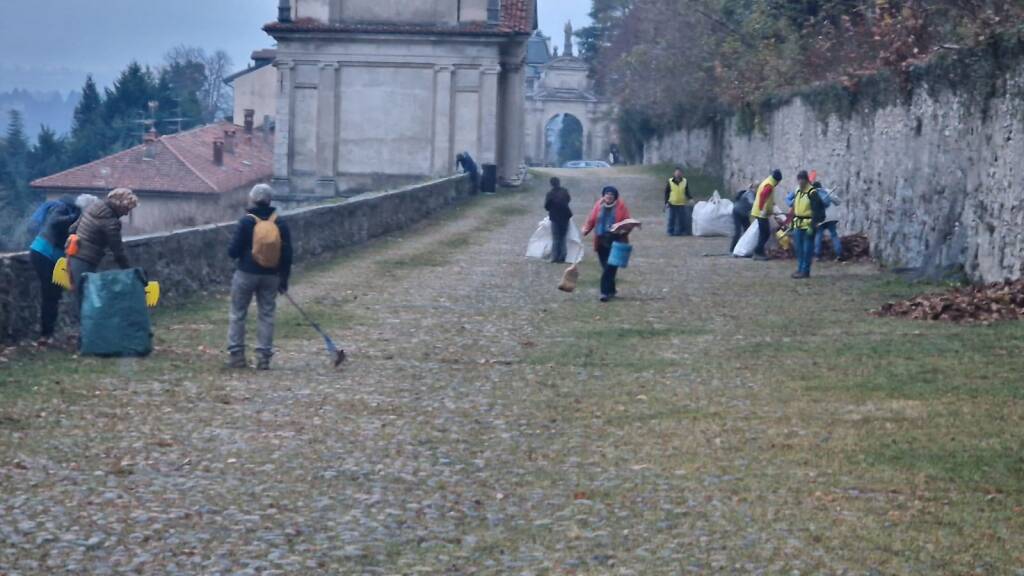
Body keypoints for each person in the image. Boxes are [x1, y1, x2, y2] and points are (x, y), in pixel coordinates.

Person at [227, 184, 294, 370]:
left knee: (238, 313)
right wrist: (284, 280)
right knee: (266, 314)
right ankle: (263, 357)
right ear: (270, 200)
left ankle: (237, 355)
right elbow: (287, 254)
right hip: (271, 275)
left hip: (246, 273)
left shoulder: (246, 222)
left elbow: (232, 252)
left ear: (252, 199)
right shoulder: (279, 222)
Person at [27, 194, 98, 344]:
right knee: (50, 294)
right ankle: (46, 335)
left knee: (55, 294)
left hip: (55, 258)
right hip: (43, 253)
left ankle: (48, 333)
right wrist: (78, 217)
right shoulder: (63, 209)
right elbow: (54, 223)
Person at [68, 188, 139, 305]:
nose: (126, 213)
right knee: (88, 298)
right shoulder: (111, 222)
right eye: (127, 209)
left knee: (80, 296)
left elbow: (72, 229)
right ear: (120, 205)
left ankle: (83, 322)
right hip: (87, 259)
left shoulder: (93, 206)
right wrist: (129, 271)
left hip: (74, 255)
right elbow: (118, 252)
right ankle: (88, 322)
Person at [583, 186, 632, 302]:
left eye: (611, 195)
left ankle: (604, 293)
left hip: (616, 241)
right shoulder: (598, 205)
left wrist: (624, 230)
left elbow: (628, 222)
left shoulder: (621, 207)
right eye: (607, 194)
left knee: (610, 267)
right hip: (601, 241)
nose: (609, 196)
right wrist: (586, 229)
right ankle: (611, 290)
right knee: (607, 267)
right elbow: (591, 219)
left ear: (615, 196)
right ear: (603, 196)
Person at [790, 170, 825, 279]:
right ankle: (800, 269)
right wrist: (792, 221)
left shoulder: (812, 193)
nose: (800, 182)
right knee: (799, 249)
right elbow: (795, 207)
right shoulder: (797, 191)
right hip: (798, 224)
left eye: (802, 180)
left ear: (806, 180)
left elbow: (818, 210)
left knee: (807, 250)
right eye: (799, 180)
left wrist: (813, 225)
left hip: (808, 224)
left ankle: (805, 271)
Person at [751, 169, 782, 260]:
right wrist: (762, 209)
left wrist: (771, 209)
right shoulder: (769, 185)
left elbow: (768, 198)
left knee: (764, 233)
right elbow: (763, 195)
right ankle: (757, 252)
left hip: (761, 212)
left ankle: (760, 252)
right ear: (777, 180)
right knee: (765, 233)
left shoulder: (768, 181)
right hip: (761, 213)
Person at [544, 177, 573, 263]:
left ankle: (555, 257)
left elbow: (546, 206)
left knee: (556, 238)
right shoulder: (565, 191)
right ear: (559, 183)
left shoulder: (550, 194)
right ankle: (563, 256)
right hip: (565, 216)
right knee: (563, 237)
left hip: (555, 217)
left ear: (551, 184)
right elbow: (568, 200)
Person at [814, 183, 843, 261]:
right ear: (821, 186)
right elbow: (838, 202)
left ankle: (817, 255)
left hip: (821, 218)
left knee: (819, 235)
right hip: (832, 217)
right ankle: (839, 254)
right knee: (834, 235)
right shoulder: (828, 191)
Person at [664, 167, 692, 236]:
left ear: (682, 174)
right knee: (671, 218)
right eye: (677, 172)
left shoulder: (685, 181)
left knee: (682, 219)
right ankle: (670, 231)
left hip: (681, 203)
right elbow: (666, 193)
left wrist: (690, 198)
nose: (678, 174)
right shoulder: (670, 181)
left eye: (679, 173)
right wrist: (666, 202)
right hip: (672, 203)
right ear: (674, 173)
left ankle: (682, 231)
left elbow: (687, 191)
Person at [731, 183, 757, 252]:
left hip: (744, 214)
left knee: (748, 231)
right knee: (738, 231)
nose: (756, 189)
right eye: (756, 188)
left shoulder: (754, 194)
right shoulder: (749, 193)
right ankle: (732, 249)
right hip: (737, 213)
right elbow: (753, 203)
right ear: (752, 188)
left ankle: (743, 247)